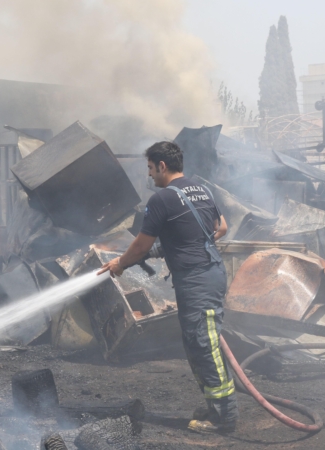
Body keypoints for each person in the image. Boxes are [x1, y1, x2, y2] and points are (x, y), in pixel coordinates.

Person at [98, 141, 238, 433]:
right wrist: (186, 244)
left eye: (150, 168)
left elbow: (140, 244)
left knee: (204, 344)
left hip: (197, 279)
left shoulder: (161, 200)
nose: (149, 175)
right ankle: (215, 406)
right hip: (207, 274)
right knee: (197, 343)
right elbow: (221, 226)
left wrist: (120, 264)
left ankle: (224, 418)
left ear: (162, 165)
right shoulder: (202, 189)